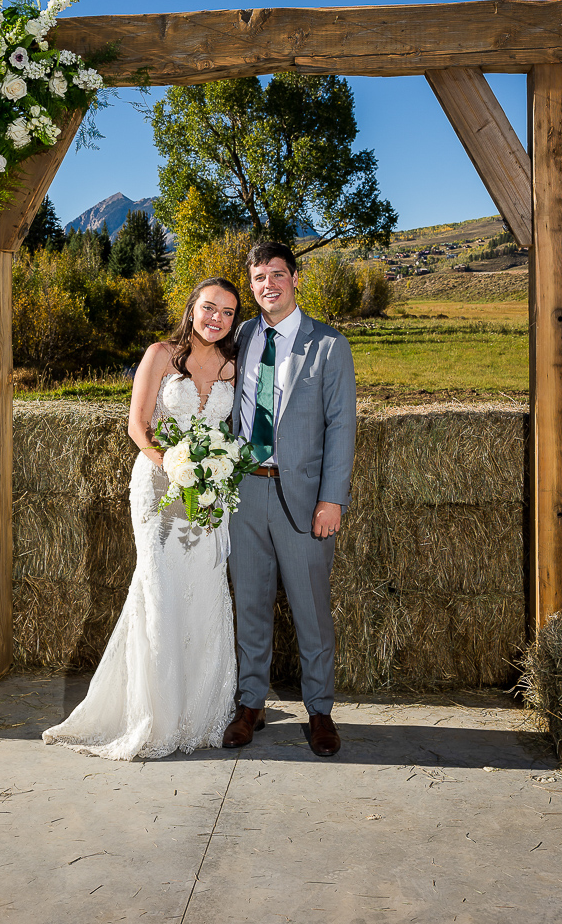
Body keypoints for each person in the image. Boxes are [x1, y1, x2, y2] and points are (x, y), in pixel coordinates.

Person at [43, 278, 241, 760]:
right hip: (157, 487)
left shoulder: (235, 367)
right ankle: (151, 714)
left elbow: (232, 429)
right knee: (158, 587)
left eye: (229, 312)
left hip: (208, 495)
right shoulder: (159, 354)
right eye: (209, 307)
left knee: (203, 588)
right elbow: (137, 423)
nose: (217, 318)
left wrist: (211, 474)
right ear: (192, 307)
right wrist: (171, 464)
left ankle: (196, 714)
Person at [224, 242, 356, 757]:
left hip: (303, 497)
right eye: (258, 278)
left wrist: (333, 498)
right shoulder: (242, 337)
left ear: (295, 278)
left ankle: (319, 710)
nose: (267, 286)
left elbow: (341, 425)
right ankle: (249, 704)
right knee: (250, 604)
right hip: (245, 490)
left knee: (311, 609)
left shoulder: (328, 344)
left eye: (276, 275)